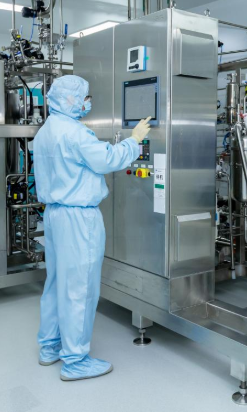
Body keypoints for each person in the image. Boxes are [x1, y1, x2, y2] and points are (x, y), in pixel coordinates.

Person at [34, 74, 151, 381]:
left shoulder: (46, 131)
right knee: (80, 287)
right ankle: (75, 361)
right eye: (85, 97)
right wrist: (135, 140)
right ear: (71, 99)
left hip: (54, 215)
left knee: (56, 282)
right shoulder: (74, 133)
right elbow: (107, 160)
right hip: (78, 219)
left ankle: (49, 346)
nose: (88, 102)